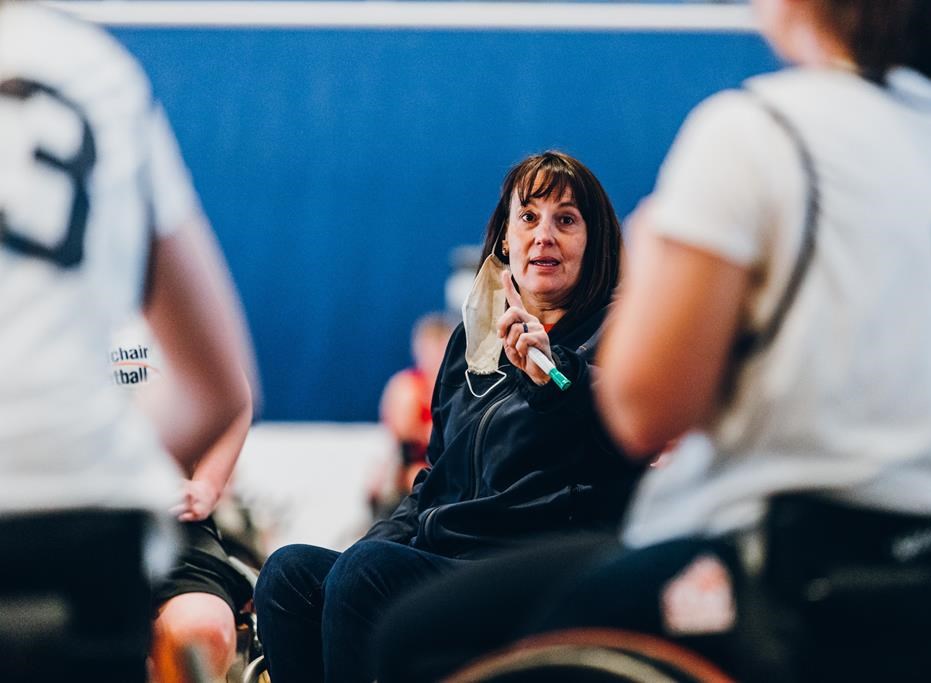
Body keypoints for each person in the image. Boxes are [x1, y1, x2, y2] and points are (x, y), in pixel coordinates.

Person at [371, 1, 931, 680]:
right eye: (529, 217)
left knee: (418, 632)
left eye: (564, 218)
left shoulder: (762, 133)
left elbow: (642, 414)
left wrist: (653, 266)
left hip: (792, 580)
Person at [253, 150, 645, 683]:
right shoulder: (470, 342)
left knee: (366, 576)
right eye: (528, 217)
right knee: (289, 574)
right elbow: (434, 479)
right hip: (443, 557)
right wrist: (368, 546)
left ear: (593, 244)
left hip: (537, 566)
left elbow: (620, 410)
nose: (544, 235)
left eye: (566, 220)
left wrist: (552, 372)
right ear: (505, 240)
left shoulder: (621, 332)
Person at [0, 2, 253, 681]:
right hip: (88, 513)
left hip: (120, 503)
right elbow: (221, 383)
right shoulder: (93, 68)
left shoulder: (132, 323)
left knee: (198, 621)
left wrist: (192, 485)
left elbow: (228, 398)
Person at [111, 320, 256, 681]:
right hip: (50, 516)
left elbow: (234, 394)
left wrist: (207, 484)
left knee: (202, 629)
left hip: (166, 516)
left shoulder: (157, 289)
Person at [377, 312, 455, 498]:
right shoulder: (407, 386)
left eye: (441, 349)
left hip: (447, 462)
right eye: (430, 349)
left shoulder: (458, 386)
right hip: (412, 463)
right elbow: (404, 438)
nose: (435, 357)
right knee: (415, 475)